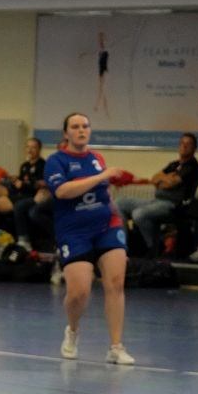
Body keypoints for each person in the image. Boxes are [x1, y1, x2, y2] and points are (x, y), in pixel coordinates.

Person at [47, 112, 135, 365]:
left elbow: (104, 191)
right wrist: (101, 176)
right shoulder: (56, 161)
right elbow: (63, 191)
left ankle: (116, 346)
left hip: (107, 225)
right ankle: (72, 330)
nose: (81, 130)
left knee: (116, 282)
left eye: (85, 126)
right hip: (74, 232)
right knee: (79, 292)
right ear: (66, 133)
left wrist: (114, 205)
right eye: (75, 126)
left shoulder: (96, 158)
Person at [115, 133, 198, 255]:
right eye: (182, 143)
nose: (184, 146)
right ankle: (122, 247)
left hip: (173, 205)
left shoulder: (193, 166)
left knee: (139, 214)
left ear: (194, 148)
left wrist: (164, 180)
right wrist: (166, 178)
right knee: (119, 202)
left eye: (188, 144)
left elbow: (170, 183)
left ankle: (154, 247)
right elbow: (154, 178)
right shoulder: (174, 164)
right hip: (156, 201)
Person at [11, 137, 53, 250]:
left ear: (39, 149)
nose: (30, 150)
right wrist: (15, 182)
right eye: (28, 147)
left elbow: (41, 185)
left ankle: (24, 240)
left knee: (20, 206)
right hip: (25, 195)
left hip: (38, 197)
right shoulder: (24, 166)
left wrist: (23, 185)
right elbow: (21, 183)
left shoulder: (43, 165)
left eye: (33, 147)